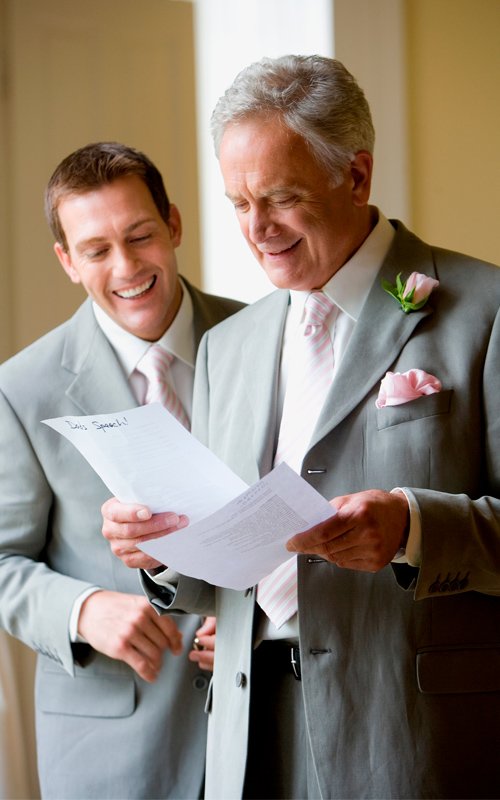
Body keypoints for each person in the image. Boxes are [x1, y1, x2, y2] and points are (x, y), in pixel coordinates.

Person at [102, 56, 500, 800]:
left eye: (280, 198)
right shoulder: (228, 345)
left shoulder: (485, 309)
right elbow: (220, 567)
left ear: (356, 176)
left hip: (412, 736)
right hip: (249, 739)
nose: (257, 229)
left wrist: (415, 527)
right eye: (238, 203)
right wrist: (158, 551)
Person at [0, 141, 244, 799]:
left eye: (140, 236)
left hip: (264, 718)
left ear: (175, 224)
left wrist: (268, 621)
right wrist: (82, 609)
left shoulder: (260, 338)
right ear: (66, 262)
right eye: (97, 249)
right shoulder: (20, 389)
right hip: (112, 748)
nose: (127, 266)